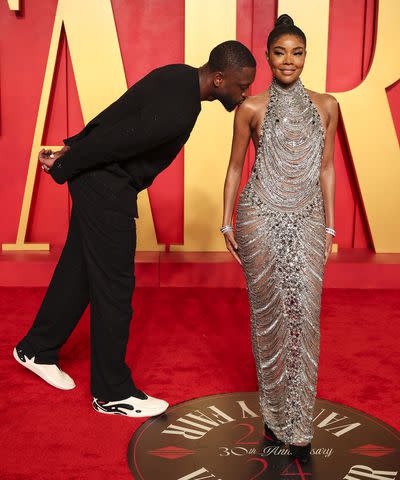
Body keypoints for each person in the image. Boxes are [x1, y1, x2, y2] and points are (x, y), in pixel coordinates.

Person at [14, 41, 256, 418]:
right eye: (242, 86)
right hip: (106, 188)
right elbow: (115, 139)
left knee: (79, 271)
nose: (245, 93)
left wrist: (70, 148)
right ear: (220, 78)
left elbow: (115, 115)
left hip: (97, 181)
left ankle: (36, 348)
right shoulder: (181, 107)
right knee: (114, 289)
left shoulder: (177, 75)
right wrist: (67, 164)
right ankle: (111, 393)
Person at [221, 15, 338, 463]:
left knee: (304, 314)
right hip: (259, 217)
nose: (289, 60)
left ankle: (299, 422)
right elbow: (235, 168)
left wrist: (328, 224)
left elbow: (326, 167)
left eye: (297, 52)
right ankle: (274, 415)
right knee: (268, 318)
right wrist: (226, 222)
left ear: (306, 56)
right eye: (279, 52)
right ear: (268, 57)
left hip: (308, 218)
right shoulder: (250, 107)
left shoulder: (327, 105)